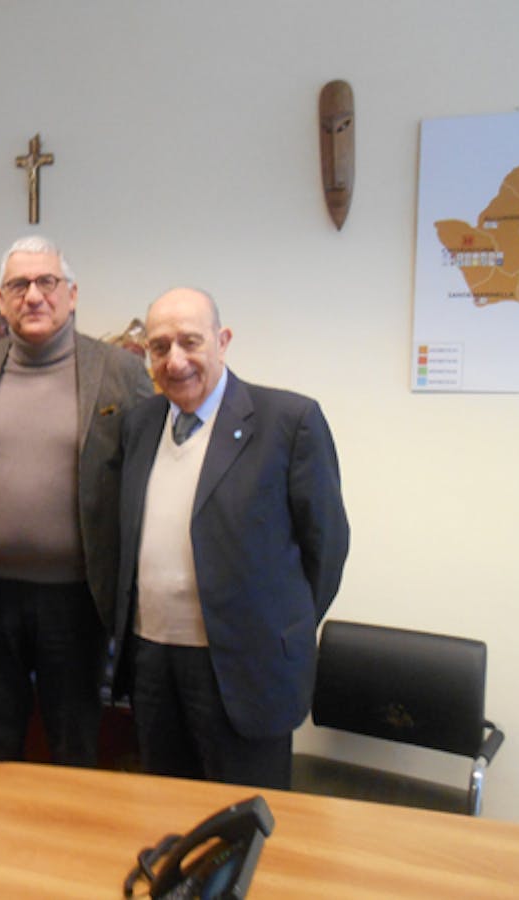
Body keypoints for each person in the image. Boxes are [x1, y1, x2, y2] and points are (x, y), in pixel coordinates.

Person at [110, 287, 349, 789]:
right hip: (153, 660)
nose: (175, 361)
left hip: (244, 669)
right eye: (159, 347)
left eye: (190, 342)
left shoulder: (288, 422)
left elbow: (325, 548)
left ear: (222, 341)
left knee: (241, 824)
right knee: (164, 811)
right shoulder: (139, 423)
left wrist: (275, 627)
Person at [0, 235, 153, 766]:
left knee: (74, 746)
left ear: (72, 294)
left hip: (79, 602)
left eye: (47, 283)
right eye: (19, 285)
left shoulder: (120, 372)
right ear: (1, 298)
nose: (33, 295)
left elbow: (147, 481)